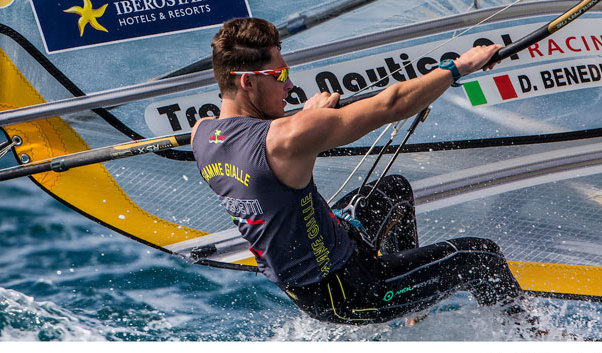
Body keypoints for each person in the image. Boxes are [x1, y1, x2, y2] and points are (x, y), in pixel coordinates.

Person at [191, 17, 527, 325]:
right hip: (352, 291)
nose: (289, 86)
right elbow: (391, 104)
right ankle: (531, 339)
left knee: (394, 189)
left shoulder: (202, 134)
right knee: (482, 256)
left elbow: (253, 138)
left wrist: (303, 119)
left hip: (326, 261)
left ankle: (417, 304)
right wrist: (459, 67)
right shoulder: (288, 136)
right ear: (248, 82)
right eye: (279, 76)